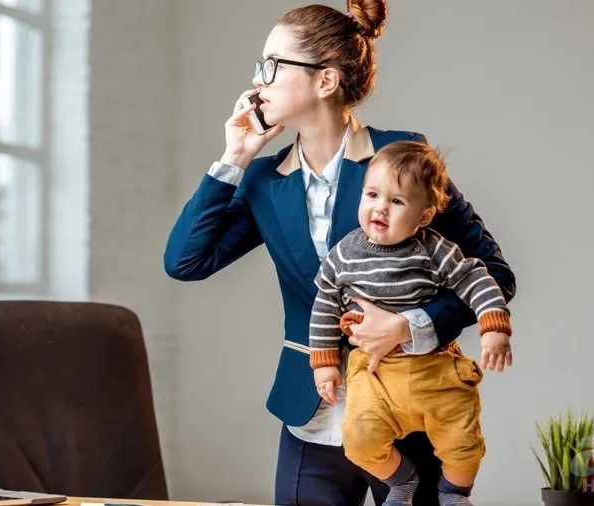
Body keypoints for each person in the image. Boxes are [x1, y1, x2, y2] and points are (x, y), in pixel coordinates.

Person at [163, 0, 516, 504]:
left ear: (325, 81)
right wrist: (235, 156)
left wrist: (411, 324)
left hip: (411, 412)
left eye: (272, 65)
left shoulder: (403, 158)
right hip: (314, 414)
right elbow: (184, 262)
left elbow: (495, 274)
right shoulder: (265, 180)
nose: (257, 81)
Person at [308, 140, 514, 506]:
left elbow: (477, 277)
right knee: (358, 439)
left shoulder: (434, 249)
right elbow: (324, 303)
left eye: (397, 201)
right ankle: (402, 480)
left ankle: (454, 494)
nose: (380, 208)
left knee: (464, 442)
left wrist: (493, 325)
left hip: (435, 368)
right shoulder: (344, 254)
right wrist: (324, 364)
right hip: (374, 374)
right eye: (372, 195)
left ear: (424, 216)